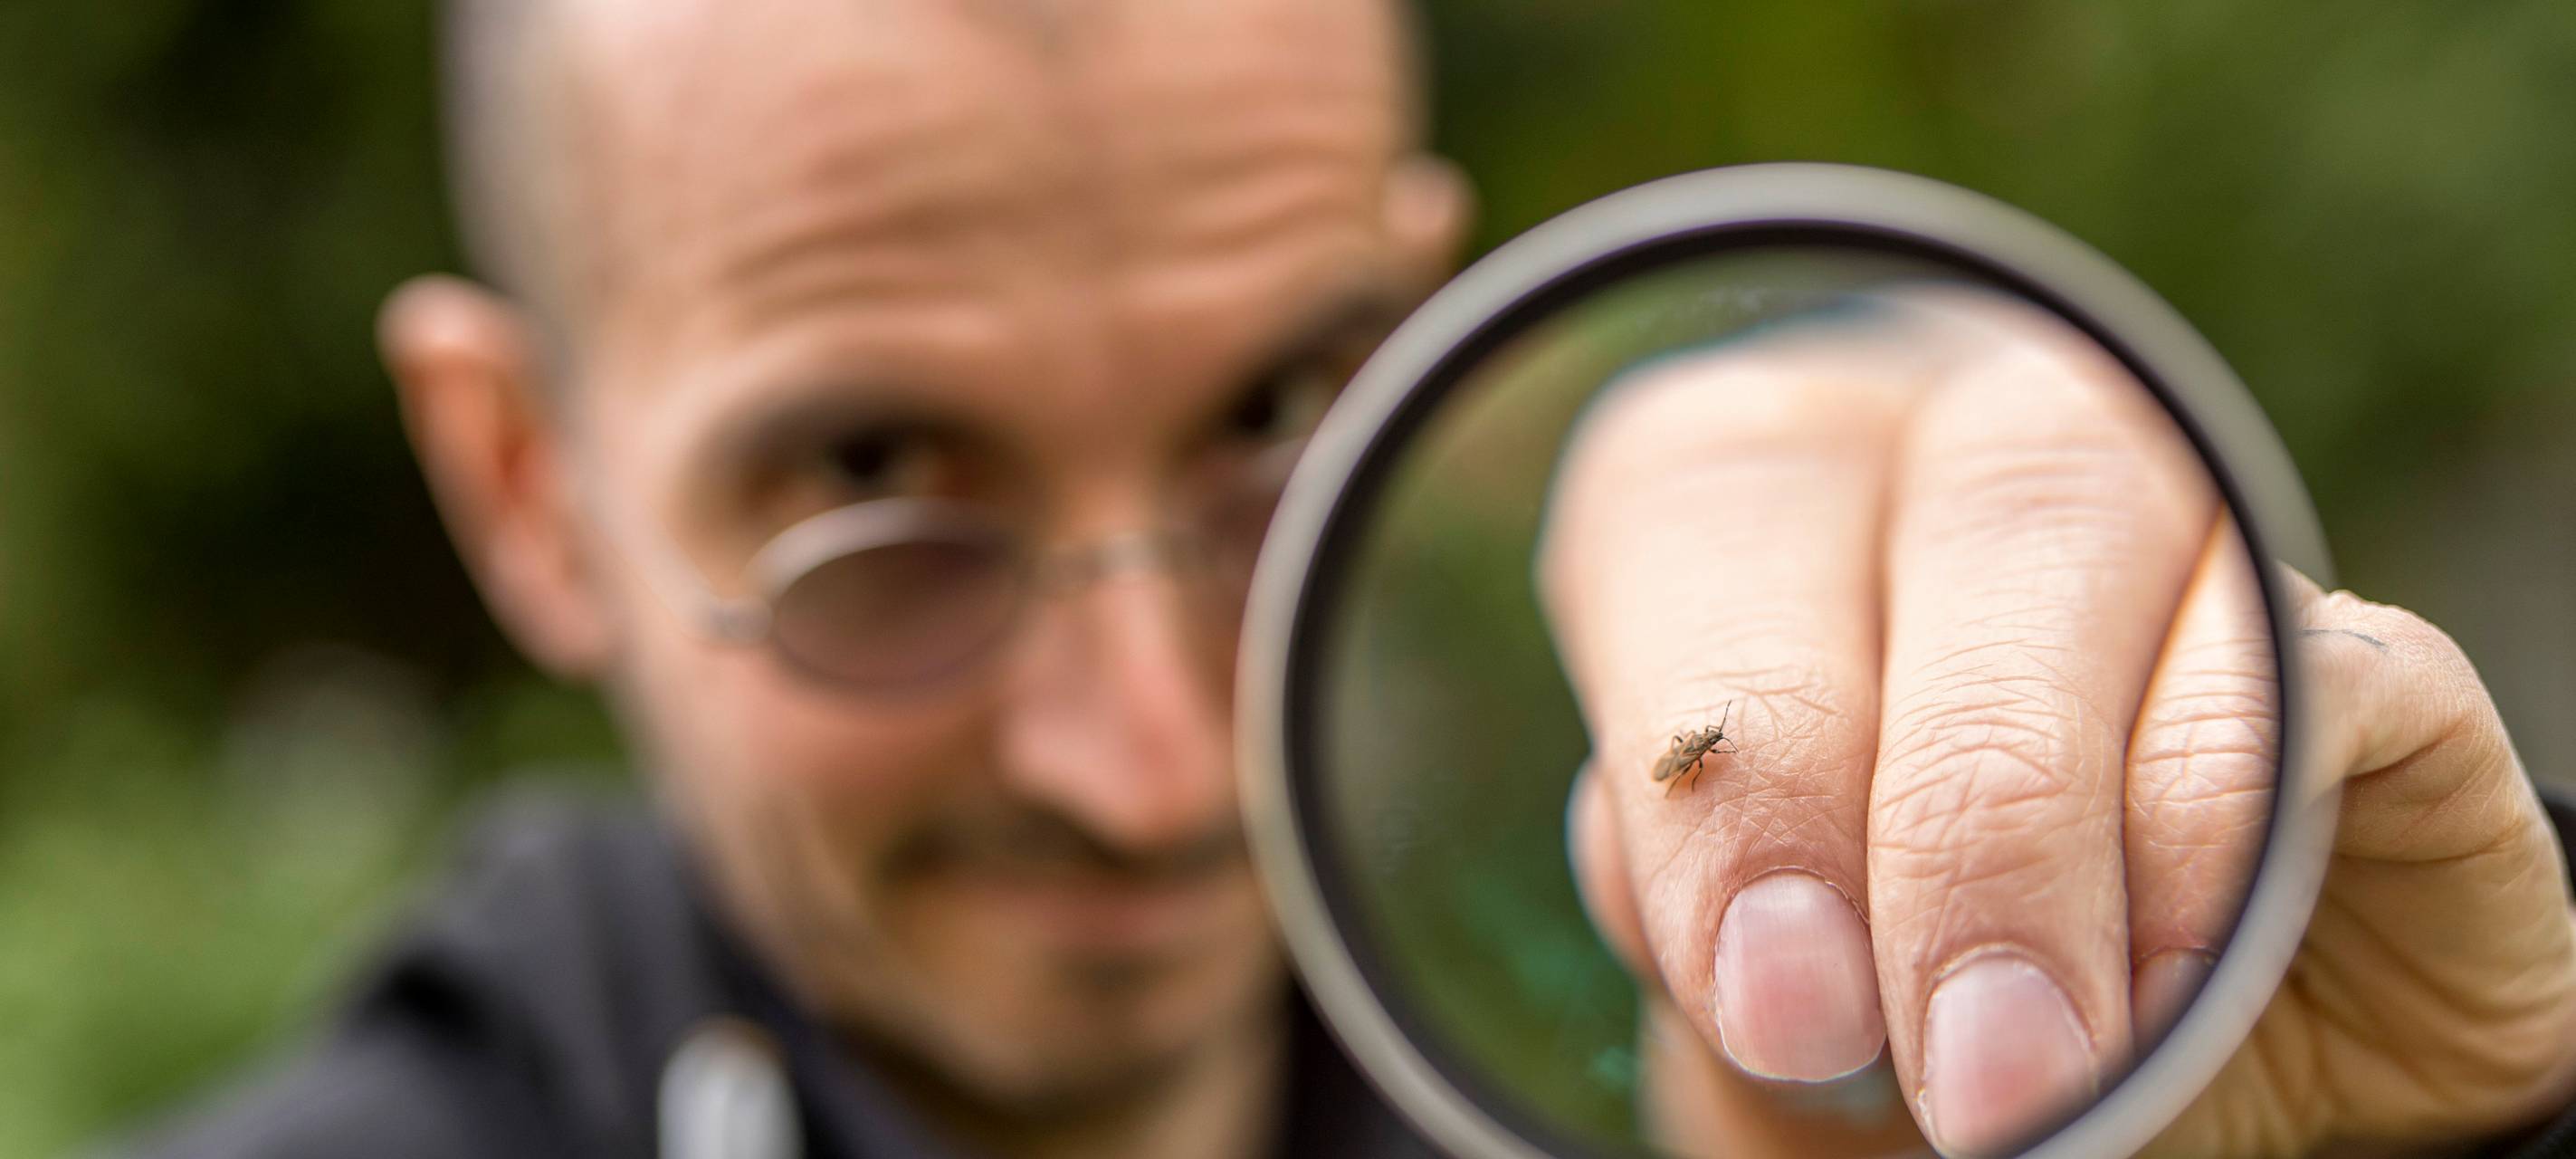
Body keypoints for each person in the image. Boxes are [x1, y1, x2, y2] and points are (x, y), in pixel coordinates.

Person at [125, 0, 2576, 1156]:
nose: (1166, 764)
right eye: (873, 489)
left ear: (1429, 323)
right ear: (529, 483)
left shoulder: (1716, 1060)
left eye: (1280, 426)